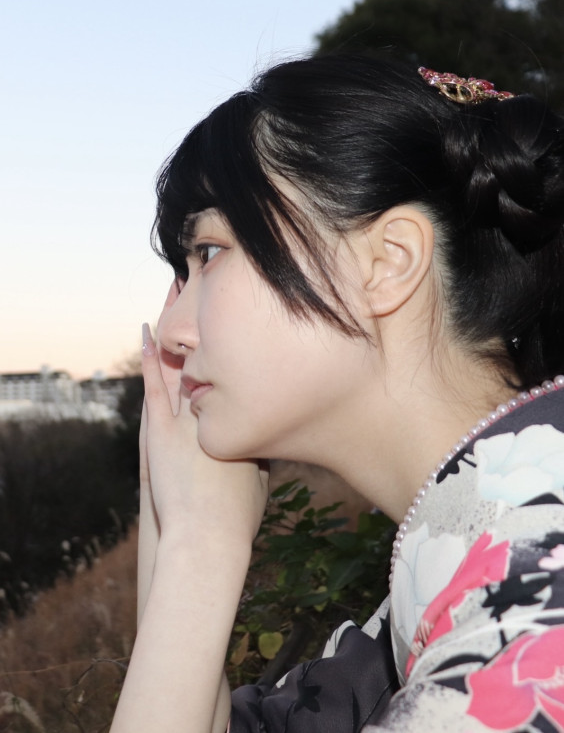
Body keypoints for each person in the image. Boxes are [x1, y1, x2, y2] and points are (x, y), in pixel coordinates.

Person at [110, 54, 564, 732]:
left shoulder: (530, 629)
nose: (172, 330)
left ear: (387, 263)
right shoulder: (468, 586)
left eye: (208, 252)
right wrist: (190, 534)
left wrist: (198, 552)